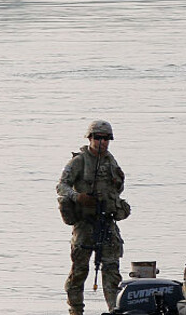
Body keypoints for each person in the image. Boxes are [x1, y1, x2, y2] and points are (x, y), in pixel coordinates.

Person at [57, 120, 132, 315]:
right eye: (98, 138)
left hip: (107, 223)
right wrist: (77, 196)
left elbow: (118, 188)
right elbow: (61, 186)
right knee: (79, 271)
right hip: (85, 224)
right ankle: (75, 310)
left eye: (106, 138)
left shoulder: (111, 161)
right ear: (90, 138)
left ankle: (114, 309)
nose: (102, 142)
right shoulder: (79, 161)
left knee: (111, 270)